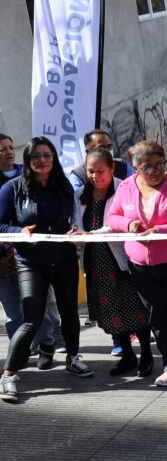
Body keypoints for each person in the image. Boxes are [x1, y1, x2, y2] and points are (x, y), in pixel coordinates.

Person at [0, 137, 92, 403]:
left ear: (54, 158)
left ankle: (73, 358)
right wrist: (19, 231)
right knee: (30, 320)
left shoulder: (63, 186)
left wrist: (75, 232)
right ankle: (9, 375)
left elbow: (74, 219)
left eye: (47, 155)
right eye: (36, 156)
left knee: (69, 313)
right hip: (30, 262)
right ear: (28, 160)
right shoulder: (11, 189)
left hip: (63, 259)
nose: (42, 160)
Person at [107, 140, 167, 387]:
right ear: (135, 168)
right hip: (140, 267)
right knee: (157, 318)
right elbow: (113, 216)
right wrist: (128, 225)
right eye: (147, 166)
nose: (155, 170)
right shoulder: (127, 187)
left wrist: (159, 230)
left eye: (159, 164)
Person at [73, 148, 153, 377]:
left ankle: (146, 354)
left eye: (101, 171)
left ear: (111, 169)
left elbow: (122, 223)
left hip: (122, 260)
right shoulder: (79, 195)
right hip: (96, 263)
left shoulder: (125, 188)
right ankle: (128, 356)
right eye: (91, 171)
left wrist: (91, 234)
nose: (96, 176)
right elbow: (79, 226)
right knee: (112, 311)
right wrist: (76, 235)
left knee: (135, 309)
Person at [0, 134, 56, 371]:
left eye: (11, 147)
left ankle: (46, 346)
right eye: (2, 149)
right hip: (2, 259)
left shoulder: (30, 175)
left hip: (29, 255)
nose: (9, 152)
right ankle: (19, 351)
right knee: (13, 311)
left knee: (37, 305)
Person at [68, 129, 135, 190]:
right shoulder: (78, 176)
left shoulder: (122, 165)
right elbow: (76, 200)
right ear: (88, 152)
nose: (107, 150)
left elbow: (136, 186)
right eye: (102, 147)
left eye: (109, 146)